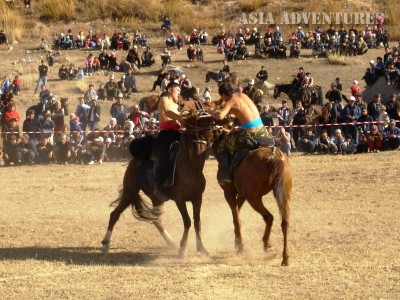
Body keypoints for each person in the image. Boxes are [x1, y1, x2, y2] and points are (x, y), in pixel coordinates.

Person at [208, 82, 271, 185]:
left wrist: (211, 111)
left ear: (223, 95)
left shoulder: (230, 101)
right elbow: (244, 112)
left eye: (222, 97)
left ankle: (226, 174)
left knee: (222, 146)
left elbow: (220, 116)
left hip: (250, 133)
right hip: (262, 130)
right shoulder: (243, 95)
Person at [152, 81, 186, 200]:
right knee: (165, 159)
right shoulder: (164, 99)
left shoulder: (176, 104)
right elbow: (168, 113)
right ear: (170, 89)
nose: (179, 93)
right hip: (166, 134)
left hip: (177, 133)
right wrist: (182, 118)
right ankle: (158, 186)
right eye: (177, 91)